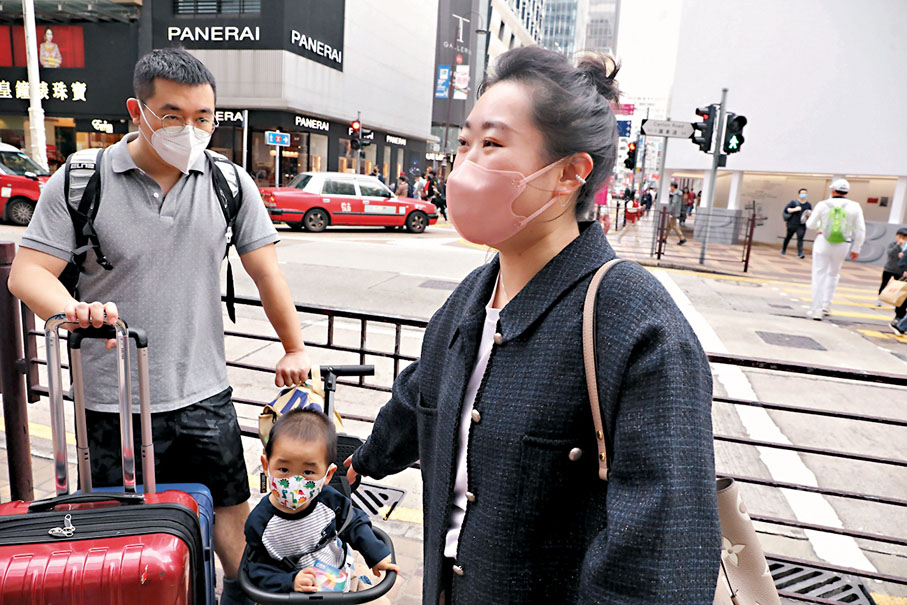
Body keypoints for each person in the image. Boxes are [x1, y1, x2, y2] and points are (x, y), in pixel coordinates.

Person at [345, 46, 719, 604]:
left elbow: (661, 558)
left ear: (570, 173)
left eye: (492, 144)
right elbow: (420, 399)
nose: (465, 164)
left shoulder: (634, 323)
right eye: (465, 142)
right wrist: (350, 463)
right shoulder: (470, 298)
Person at [8, 48, 312, 605]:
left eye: (204, 118)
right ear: (137, 111)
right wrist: (71, 310)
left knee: (232, 525)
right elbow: (28, 274)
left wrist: (294, 347)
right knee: (118, 536)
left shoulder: (229, 182)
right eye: (173, 115)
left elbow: (266, 270)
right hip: (109, 403)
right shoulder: (80, 182)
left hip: (203, 393)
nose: (191, 130)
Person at [244, 409, 397, 599]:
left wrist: (376, 553)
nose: (295, 482)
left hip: (341, 584)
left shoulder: (330, 502)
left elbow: (354, 522)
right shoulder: (260, 523)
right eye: (284, 469)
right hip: (290, 595)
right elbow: (258, 570)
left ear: (328, 475)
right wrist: (289, 581)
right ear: (266, 466)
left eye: (308, 472)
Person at [805, 178, 866, 320]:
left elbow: (810, 225)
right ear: (847, 192)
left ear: (832, 190)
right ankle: (827, 305)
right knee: (833, 274)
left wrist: (821, 223)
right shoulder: (855, 206)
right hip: (844, 244)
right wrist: (856, 248)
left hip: (823, 242)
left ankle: (817, 309)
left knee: (819, 274)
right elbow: (861, 230)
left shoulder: (823, 205)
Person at [882, 227, 907, 331]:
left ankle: (901, 324)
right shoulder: (895, 244)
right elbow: (891, 254)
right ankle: (900, 322)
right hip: (892, 270)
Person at [781, 188, 812, 258]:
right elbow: (787, 210)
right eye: (802, 193)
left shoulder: (808, 204)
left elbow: (810, 213)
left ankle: (800, 253)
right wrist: (795, 209)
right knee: (788, 237)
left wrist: (808, 214)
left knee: (800, 238)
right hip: (792, 223)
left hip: (802, 224)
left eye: (805, 193)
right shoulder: (793, 202)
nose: (804, 194)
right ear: (799, 194)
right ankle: (784, 249)